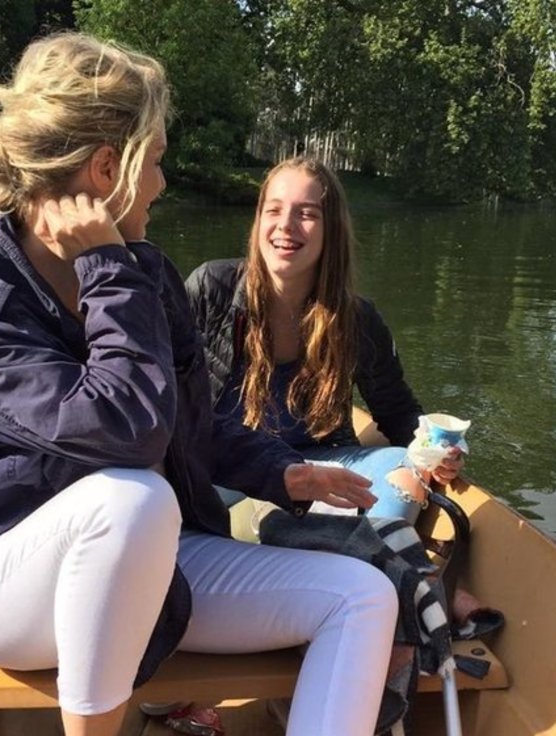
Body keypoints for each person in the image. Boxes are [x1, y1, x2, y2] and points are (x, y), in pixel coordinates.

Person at [0, 34, 398, 736]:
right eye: (158, 160)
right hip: (4, 593)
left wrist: (283, 474)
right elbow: (128, 434)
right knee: (131, 498)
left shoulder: (145, 271)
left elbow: (191, 421)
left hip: (151, 563)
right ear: (109, 168)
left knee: (361, 594)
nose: (164, 182)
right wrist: (109, 270)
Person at [185, 156, 464, 536]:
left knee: (403, 465)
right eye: (274, 210)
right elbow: (169, 401)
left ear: (331, 229)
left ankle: (314, 537)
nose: (285, 225)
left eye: (306, 214)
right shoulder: (211, 288)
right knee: (171, 491)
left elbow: (397, 413)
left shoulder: (357, 319)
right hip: (228, 468)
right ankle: (322, 540)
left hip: (319, 464)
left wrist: (435, 451)